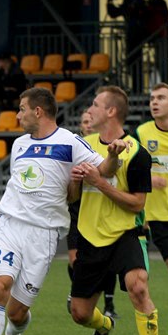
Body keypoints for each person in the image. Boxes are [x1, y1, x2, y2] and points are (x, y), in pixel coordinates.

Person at [0, 87, 121, 335]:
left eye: (21, 108)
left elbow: (104, 170)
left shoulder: (70, 142)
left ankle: (14, 333)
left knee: (16, 313)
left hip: (43, 235)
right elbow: (13, 190)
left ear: (37, 111)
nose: (17, 115)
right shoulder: (19, 145)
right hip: (9, 227)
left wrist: (113, 156)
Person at [69, 86, 160, 335]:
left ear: (111, 111)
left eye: (95, 104)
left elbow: (137, 204)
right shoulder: (81, 145)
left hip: (125, 234)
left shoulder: (137, 153)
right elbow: (72, 197)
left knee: (138, 288)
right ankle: (105, 326)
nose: (89, 110)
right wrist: (75, 182)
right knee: (80, 313)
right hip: (90, 237)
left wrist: (101, 182)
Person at [65, 111, 117, 318]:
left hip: (101, 213)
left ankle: (109, 303)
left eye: (90, 121)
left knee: (107, 263)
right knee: (74, 260)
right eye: (84, 122)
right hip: (76, 213)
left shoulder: (106, 149)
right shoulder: (76, 148)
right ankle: (78, 292)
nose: (87, 125)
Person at [136, 83, 168, 282]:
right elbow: (127, 168)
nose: (155, 102)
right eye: (152, 99)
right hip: (160, 218)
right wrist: (148, 178)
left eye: (161, 98)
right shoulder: (142, 133)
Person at [106, 0, 147, 91]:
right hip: (131, 36)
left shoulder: (137, 0)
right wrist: (109, 4)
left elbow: (129, 10)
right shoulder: (128, 3)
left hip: (136, 36)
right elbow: (114, 13)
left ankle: (138, 88)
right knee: (131, 62)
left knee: (135, 61)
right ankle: (136, 88)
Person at [145, 0, 168, 83]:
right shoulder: (148, 6)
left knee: (164, 60)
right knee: (159, 61)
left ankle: (165, 81)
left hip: (163, 35)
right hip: (156, 36)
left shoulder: (160, 3)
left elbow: (163, 14)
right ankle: (162, 81)